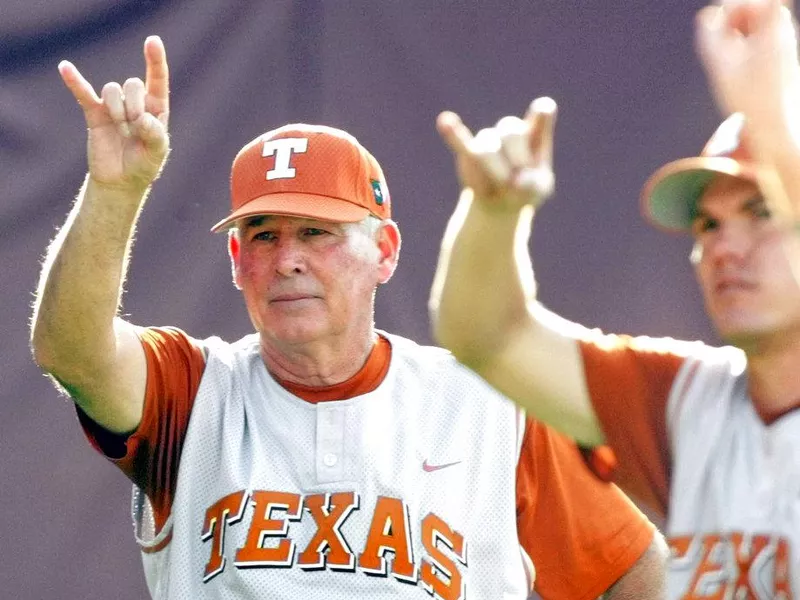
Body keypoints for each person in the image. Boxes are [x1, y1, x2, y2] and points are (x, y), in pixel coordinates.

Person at [29, 36, 666, 600]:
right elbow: (72, 352)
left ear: (384, 252)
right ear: (235, 258)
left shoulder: (488, 406)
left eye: (316, 231)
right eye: (263, 235)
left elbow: (632, 570)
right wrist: (115, 191)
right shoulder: (193, 390)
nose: (287, 261)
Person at [430, 0, 800, 597]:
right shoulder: (688, 401)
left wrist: (775, 123)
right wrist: (495, 214)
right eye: (707, 226)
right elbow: (486, 337)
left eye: (761, 212)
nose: (726, 247)